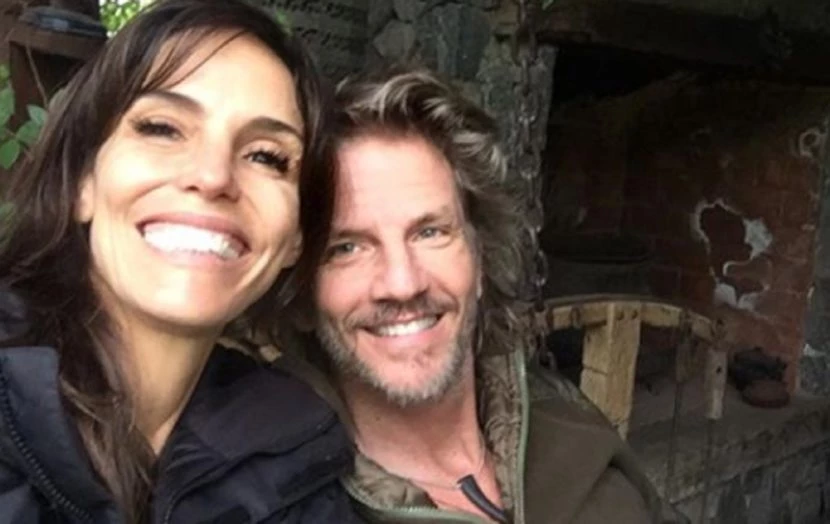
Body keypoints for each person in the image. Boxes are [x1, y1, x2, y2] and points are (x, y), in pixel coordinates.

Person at [0, 0, 361, 522]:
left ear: (296, 239)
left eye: (266, 156)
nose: (213, 176)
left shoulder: (296, 461)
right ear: (82, 182)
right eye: (162, 128)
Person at [310, 67, 681, 523]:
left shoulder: (560, 414)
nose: (403, 284)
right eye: (346, 248)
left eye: (430, 231)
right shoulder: (290, 504)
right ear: (300, 293)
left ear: (480, 257)